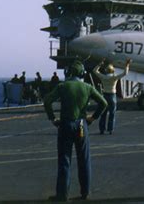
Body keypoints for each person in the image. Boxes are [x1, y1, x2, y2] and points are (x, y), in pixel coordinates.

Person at [43, 60, 107, 202]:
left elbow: (47, 101)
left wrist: (53, 118)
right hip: (81, 126)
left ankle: (62, 195)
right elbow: (104, 103)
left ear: (68, 72)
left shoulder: (62, 86)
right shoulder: (87, 87)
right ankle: (85, 193)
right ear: (82, 73)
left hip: (65, 125)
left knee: (65, 160)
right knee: (84, 159)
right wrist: (93, 118)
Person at [93, 59, 131, 135]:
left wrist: (99, 64)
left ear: (106, 71)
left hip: (104, 95)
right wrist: (127, 65)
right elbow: (125, 73)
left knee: (103, 113)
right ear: (113, 70)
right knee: (112, 113)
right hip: (112, 96)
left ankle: (102, 129)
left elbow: (95, 71)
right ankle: (110, 129)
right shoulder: (114, 78)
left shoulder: (103, 77)